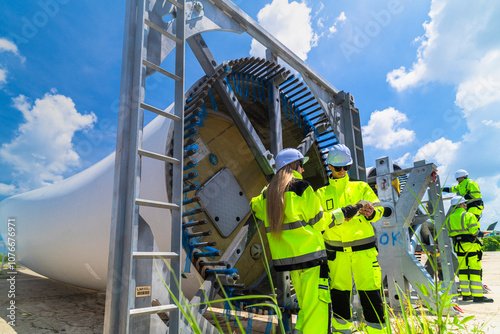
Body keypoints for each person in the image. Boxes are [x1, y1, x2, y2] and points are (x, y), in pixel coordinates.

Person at [250, 148, 360, 334]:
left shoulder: (268, 193)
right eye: (301, 165)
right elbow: (319, 222)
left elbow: (255, 205)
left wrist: (266, 191)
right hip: (311, 259)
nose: (303, 170)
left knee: (305, 307)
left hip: (288, 261)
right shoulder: (301, 187)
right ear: (293, 165)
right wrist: (344, 213)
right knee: (317, 308)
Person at [316, 144, 385, 334]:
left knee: (371, 293)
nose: (342, 171)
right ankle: (342, 331)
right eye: (338, 168)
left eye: (346, 167)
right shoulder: (320, 194)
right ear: (329, 166)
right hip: (337, 255)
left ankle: (377, 331)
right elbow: (317, 222)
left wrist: (372, 213)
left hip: (364, 252)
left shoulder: (361, 187)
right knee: (339, 294)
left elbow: (379, 209)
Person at [446, 196, 493, 303]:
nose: (466, 205)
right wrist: (482, 233)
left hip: (459, 246)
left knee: (463, 271)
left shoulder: (449, 218)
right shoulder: (468, 215)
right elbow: (474, 232)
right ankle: (478, 296)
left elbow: (450, 233)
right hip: (471, 246)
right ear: (461, 205)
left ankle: (466, 295)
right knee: (475, 270)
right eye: (465, 204)